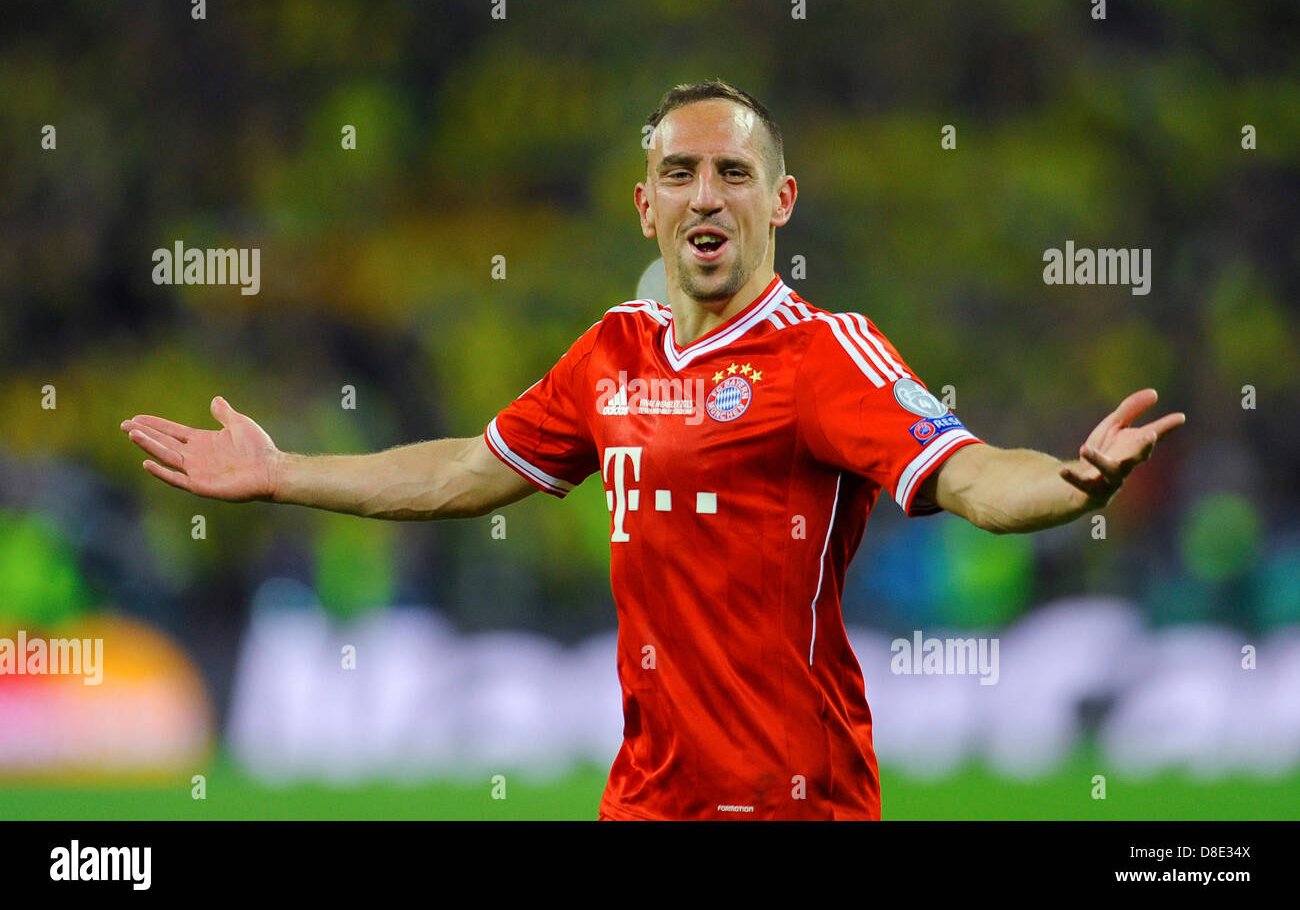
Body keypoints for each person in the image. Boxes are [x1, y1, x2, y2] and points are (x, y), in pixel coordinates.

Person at [120, 79, 1185, 820]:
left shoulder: (822, 358)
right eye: (680, 172)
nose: (706, 194)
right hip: (644, 801)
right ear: (646, 207)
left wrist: (1065, 483)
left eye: (732, 171)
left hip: (791, 804)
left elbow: (964, 472)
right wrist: (280, 472)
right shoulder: (609, 354)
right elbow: (463, 470)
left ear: (780, 201)